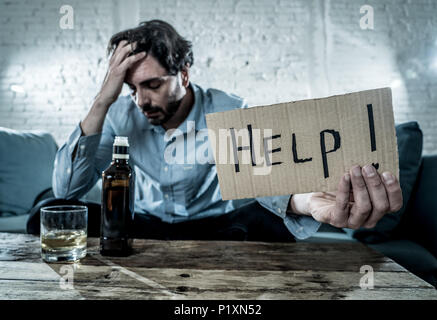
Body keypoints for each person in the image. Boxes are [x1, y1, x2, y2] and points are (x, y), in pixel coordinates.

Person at [29, 20, 403, 242]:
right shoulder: (120, 114)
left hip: (216, 226)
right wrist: (103, 99)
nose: (141, 100)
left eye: (153, 85)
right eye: (132, 89)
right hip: (143, 226)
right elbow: (68, 189)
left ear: (184, 74)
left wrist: (304, 202)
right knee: (48, 207)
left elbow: (266, 176)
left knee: (268, 224)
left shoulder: (227, 108)